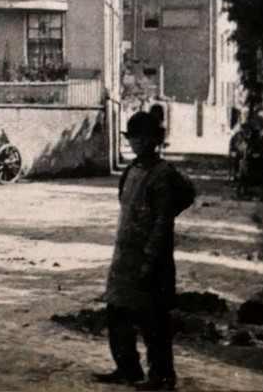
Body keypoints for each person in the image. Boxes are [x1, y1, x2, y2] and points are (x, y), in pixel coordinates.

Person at [94, 111, 195, 391]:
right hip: (124, 257)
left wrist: (151, 259)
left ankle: (162, 377)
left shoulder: (162, 175)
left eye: (143, 137)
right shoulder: (130, 171)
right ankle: (127, 368)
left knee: (154, 322)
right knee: (117, 313)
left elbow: (164, 221)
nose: (137, 143)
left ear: (154, 140)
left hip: (152, 259)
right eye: (133, 137)